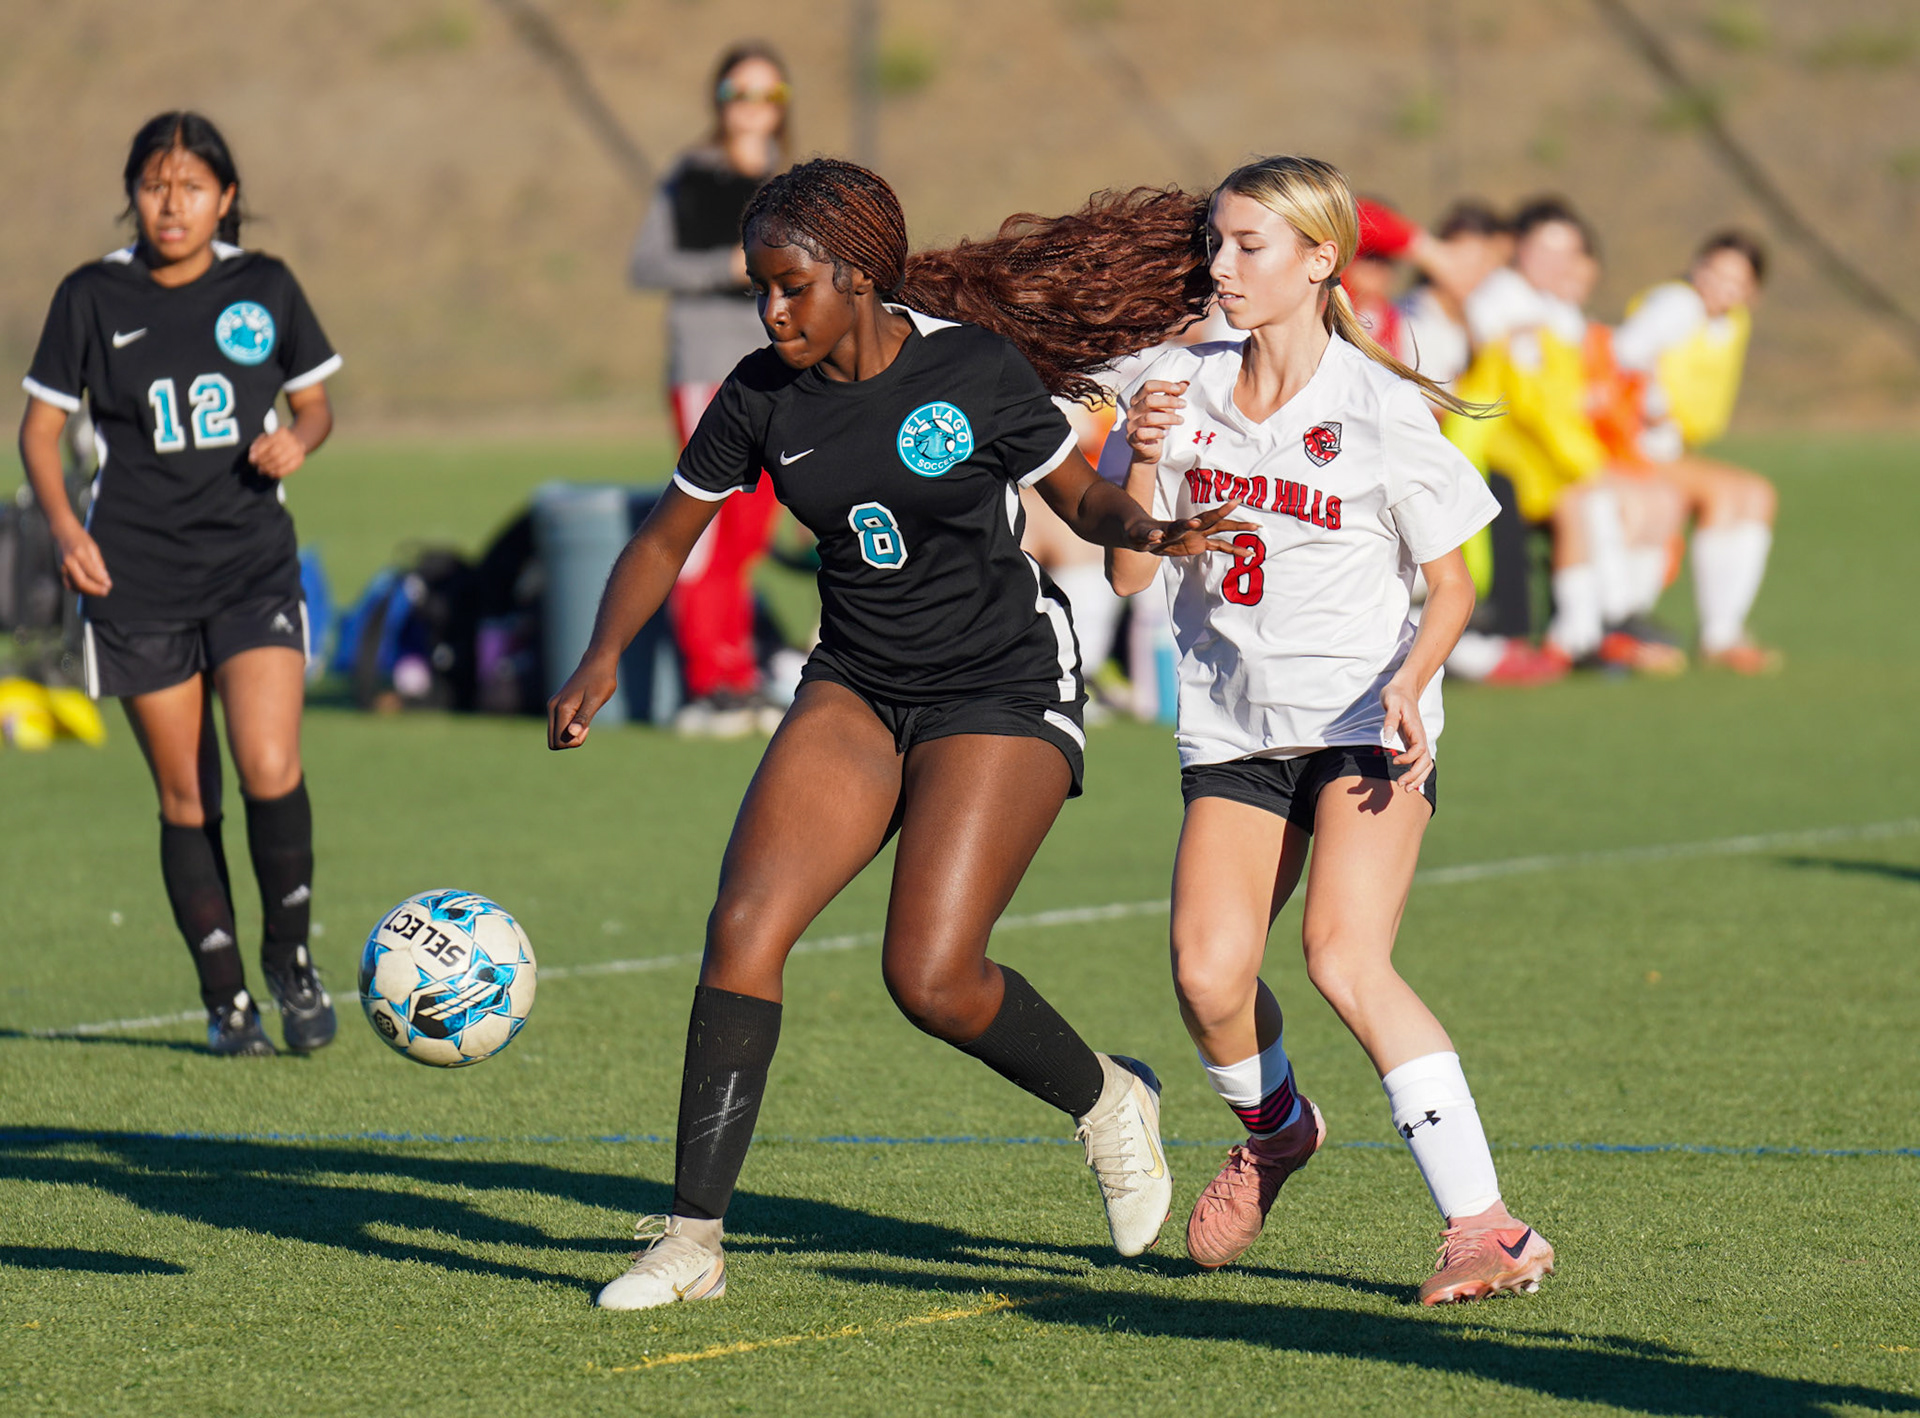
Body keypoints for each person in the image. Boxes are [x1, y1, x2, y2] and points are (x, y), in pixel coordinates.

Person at [549, 160, 1248, 1312]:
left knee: (928, 976)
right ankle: (691, 1240)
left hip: (1001, 683)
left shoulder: (967, 367)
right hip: (859, 681)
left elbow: (1075, 496)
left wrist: (1147, 521)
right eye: (756, 291)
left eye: (790, 288)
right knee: (744, 927)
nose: (771, 314)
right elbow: (666, 535)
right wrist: (601, 654)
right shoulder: (760, 394)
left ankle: (1109, 1098)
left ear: (861, 277)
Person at [1103, 156, 1555, 1305]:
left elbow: (1452, 586)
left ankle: (1487, 1227)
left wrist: (1412, 681)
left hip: (1364, 720)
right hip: (1235, 727)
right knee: (1209, 975)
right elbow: (1121, 566)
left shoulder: (1378, 407)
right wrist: (1139, 454)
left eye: (1249, 245)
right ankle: (1278, 1126)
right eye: (1216, 242)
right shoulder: (1178, 378)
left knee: (1343, 956)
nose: (1221, 266)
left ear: (1320, 260)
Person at [17, 112, 341, 1055]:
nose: (172, 203)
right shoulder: (90, 296)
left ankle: (290, 959)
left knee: (269, 766)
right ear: (134, 194)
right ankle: (224, 996)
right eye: (155, 185)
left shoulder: (265, 286)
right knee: (186, 796)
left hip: (250, 562)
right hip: (135, 574)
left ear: (225, 198)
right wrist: (66, 530)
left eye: (191, 186)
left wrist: (298, 437)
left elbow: (316, 404)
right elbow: (40, 433)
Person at [627, 43, 792, 735]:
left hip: (776, 367)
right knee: (707, 520)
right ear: (719, 102)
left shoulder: (789, 181)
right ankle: (709, 678)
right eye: (739, 93)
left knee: (753, 526)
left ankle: (738, 666)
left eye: (767, 96)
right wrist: (723, 263)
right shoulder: (691, 178)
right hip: (707, 369)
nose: (752, 109)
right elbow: (647, 263)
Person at [1610, 232, 1779, 672]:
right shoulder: (1676, 304)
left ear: (1751, 294)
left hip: (1667, 448)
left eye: (1733, 281)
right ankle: (1711, 635)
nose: (1716, 286)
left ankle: (1724, 631)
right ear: (1695, 266)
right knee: (1729, 495)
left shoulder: (1727, 322)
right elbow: (1623, 353)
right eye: (1711, 271)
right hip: (1633, 446)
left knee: (1756, 494)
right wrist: (1656, 408)